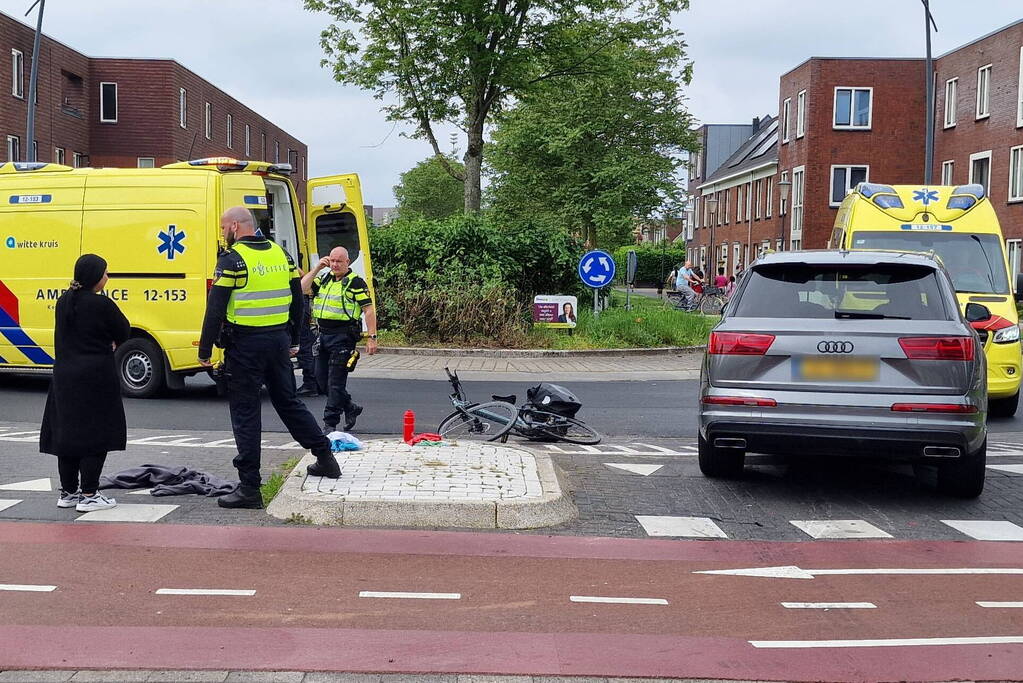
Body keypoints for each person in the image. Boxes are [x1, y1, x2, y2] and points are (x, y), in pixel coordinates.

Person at [198, 207, 340, 509]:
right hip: (277, 342)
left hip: (245, 346)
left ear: (235, 226)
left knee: (246, 413)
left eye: (224, 227)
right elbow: (297, 300)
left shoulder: (232, 260)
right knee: (288, 402)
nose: (223, 232)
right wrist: (293, 340)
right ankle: (325, 456)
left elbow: (214, 310)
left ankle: (250, 488)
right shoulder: (281, 254)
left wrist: (205, 350)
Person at [40, 254, 129, 512]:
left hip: (64, 376)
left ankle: (68, 492)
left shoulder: (63, 301)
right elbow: (123, 330)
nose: (107, 277)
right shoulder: (102, 305)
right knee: (95, 434)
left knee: (67, 435)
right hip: (95, 377)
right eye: (105, 273)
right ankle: (89, 493)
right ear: (94, 277)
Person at [301, 246, 378, 433]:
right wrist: (318, 268)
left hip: (343, 337)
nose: (335, 265)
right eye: (332, 261)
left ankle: (330, 424)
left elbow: (368, 310)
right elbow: (302, 288)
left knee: (336, 383)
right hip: (322, 336)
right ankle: (350, 407)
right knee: (321, 382)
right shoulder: (324, 278)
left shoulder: (355, 283)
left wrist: (372, 337)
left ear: (347, 262)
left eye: (339, 261)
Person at [295, 292, 319, 396]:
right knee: (305, 342)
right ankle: (314, 383)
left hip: (297, 299)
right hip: (299, 299)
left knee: (303, 344)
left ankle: (311, 384)